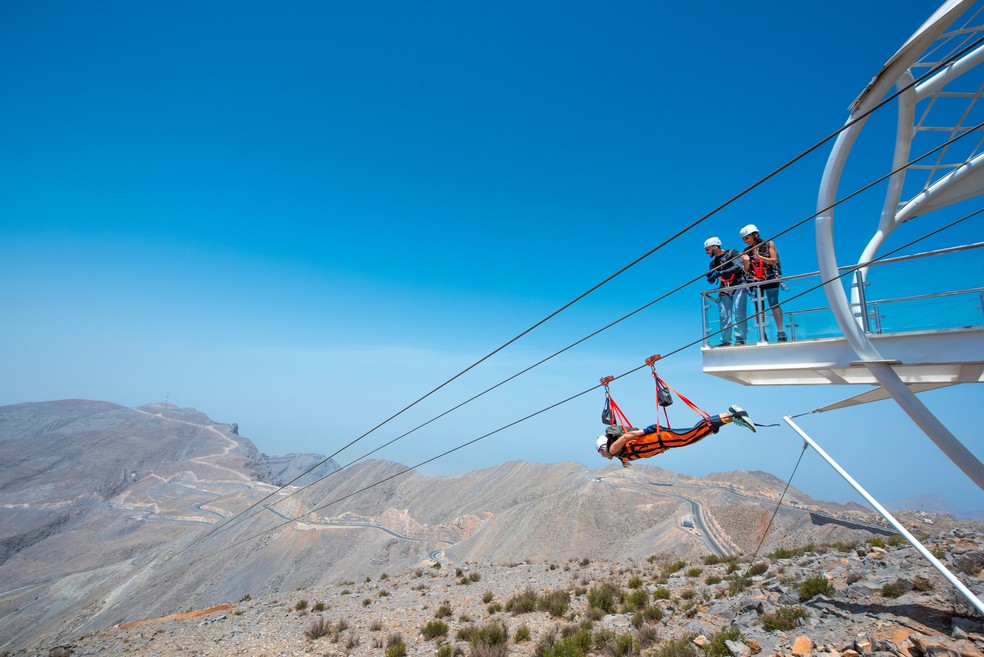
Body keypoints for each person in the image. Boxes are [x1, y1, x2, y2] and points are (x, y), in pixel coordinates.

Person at [595, 406, 755, 466]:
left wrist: (645, 431)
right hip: (661, 442)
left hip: (658, 439)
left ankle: (729, 415)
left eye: (601, 452)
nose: (603, 456)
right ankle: (725, 420)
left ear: (604, 447)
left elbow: (625, 437)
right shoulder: (620, 455)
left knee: (690, 436)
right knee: (691, 437)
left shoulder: (613, 450)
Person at [739, 224, 786, 343]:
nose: (746, 241)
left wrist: (759, 257)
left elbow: (774, 260)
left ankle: (780, 332)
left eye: (747, 238)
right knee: (758, 308)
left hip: (770, 277)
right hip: (756, 281)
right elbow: (747, 270)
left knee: (774, 303)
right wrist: (746, 262)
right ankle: (762, 333)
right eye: (744, 239)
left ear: (754, 235)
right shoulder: (746, 251)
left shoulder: (768, 244)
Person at [704, 236, 748, 346]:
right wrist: (711, 276)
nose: (707, 252)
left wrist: (720, 273)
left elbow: (738, 267)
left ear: (715, 246)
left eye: (708, 249)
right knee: (724, 315)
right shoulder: (713, 263)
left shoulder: (732, 253)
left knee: (739, 312)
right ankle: (725, 340)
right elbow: (712, 279)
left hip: (738, 285)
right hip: (725, 289)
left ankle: (740, 339)